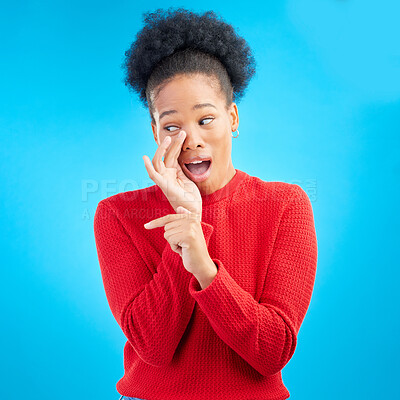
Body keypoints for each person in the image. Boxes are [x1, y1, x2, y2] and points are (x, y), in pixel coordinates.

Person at [94, 7, 318, 400]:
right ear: (155, 131)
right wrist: (184, 220)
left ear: (232, 118)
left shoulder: (286, 205)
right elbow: (153, 346)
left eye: (206, 119)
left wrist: (202, 263)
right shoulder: (117, 215)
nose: (191, 139)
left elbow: (272, 353)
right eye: (172, 125)